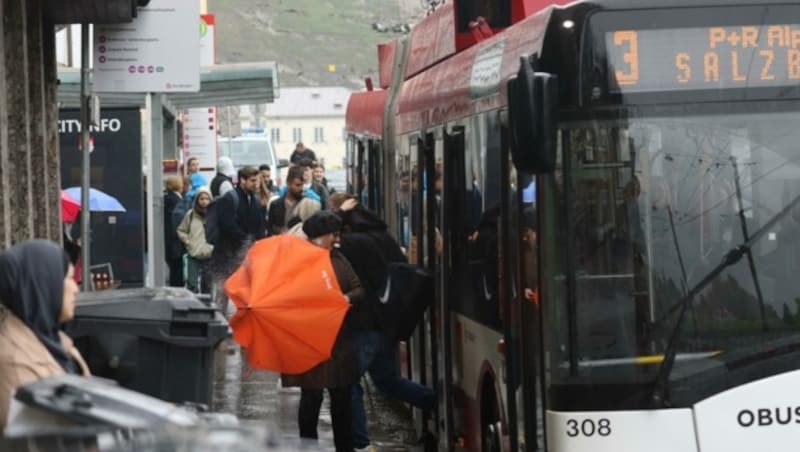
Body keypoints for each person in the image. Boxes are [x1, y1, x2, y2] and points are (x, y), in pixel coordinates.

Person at [333, 199, 436, 449]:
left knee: (350, 384)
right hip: (387, 323)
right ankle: (436, 402)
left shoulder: (351, 244)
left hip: (362, 324)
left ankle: (359, 443)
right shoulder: (383, 237)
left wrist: (338, 214)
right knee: (387, 380)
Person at [281, 211, 363, 452]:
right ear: (317, 237)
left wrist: (346, 298)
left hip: (340, 342)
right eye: (332, 235)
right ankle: (308, 447)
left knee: (341, 398)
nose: (336, 239)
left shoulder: (339, 258)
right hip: (312, 342)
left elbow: (358, 288)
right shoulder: (300, 262)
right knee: (311, 398)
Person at [0, 240, 90, 431]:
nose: (76, 289)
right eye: (68, 278)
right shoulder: (14, 363)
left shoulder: (56, 342)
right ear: (42, 285)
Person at [177, 187, 214, 293]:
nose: (204, 202)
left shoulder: (214, 215)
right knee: (191, 284)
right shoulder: (191, 214)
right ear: (197, 200)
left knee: (207, 285)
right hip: (194, 253)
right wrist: (188, 242)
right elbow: (181, 230)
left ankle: (207, 306)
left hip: (209, 253)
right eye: (201, 199)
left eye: (207, 199)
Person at [267, 166, 306, 236]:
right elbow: (270, 229)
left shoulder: (305, 204)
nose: (301, 188)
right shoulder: (275, 204)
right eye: (298, 185)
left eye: (302, 185)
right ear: (288, 183)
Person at [163, 175, 185, 287]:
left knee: (174, 268)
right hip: (175, 241)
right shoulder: (176, 201)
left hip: (169, 240)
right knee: (177, 269)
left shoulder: (166, 199)